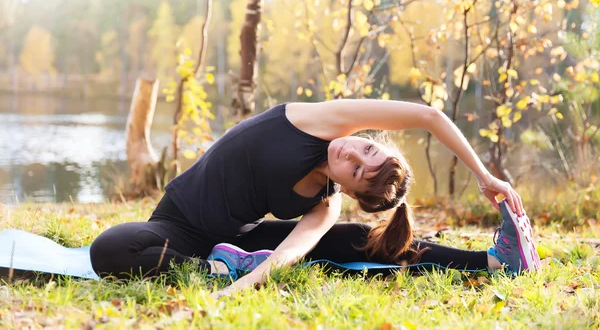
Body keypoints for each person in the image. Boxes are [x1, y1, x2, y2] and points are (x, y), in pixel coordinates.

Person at [90, 99, 540, 297]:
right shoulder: (324, 120)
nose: (352, 155)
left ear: (349, 188)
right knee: (109, 248)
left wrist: (239, 286)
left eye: (358, 172)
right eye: (367, 149)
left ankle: (494, 262)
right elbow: (427, 115)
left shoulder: (327, 203)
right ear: (370, 138)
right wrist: (485, 176)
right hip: (177, 225)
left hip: (233, 241)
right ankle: (215, 265)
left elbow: (286, 254)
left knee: (358, 240)